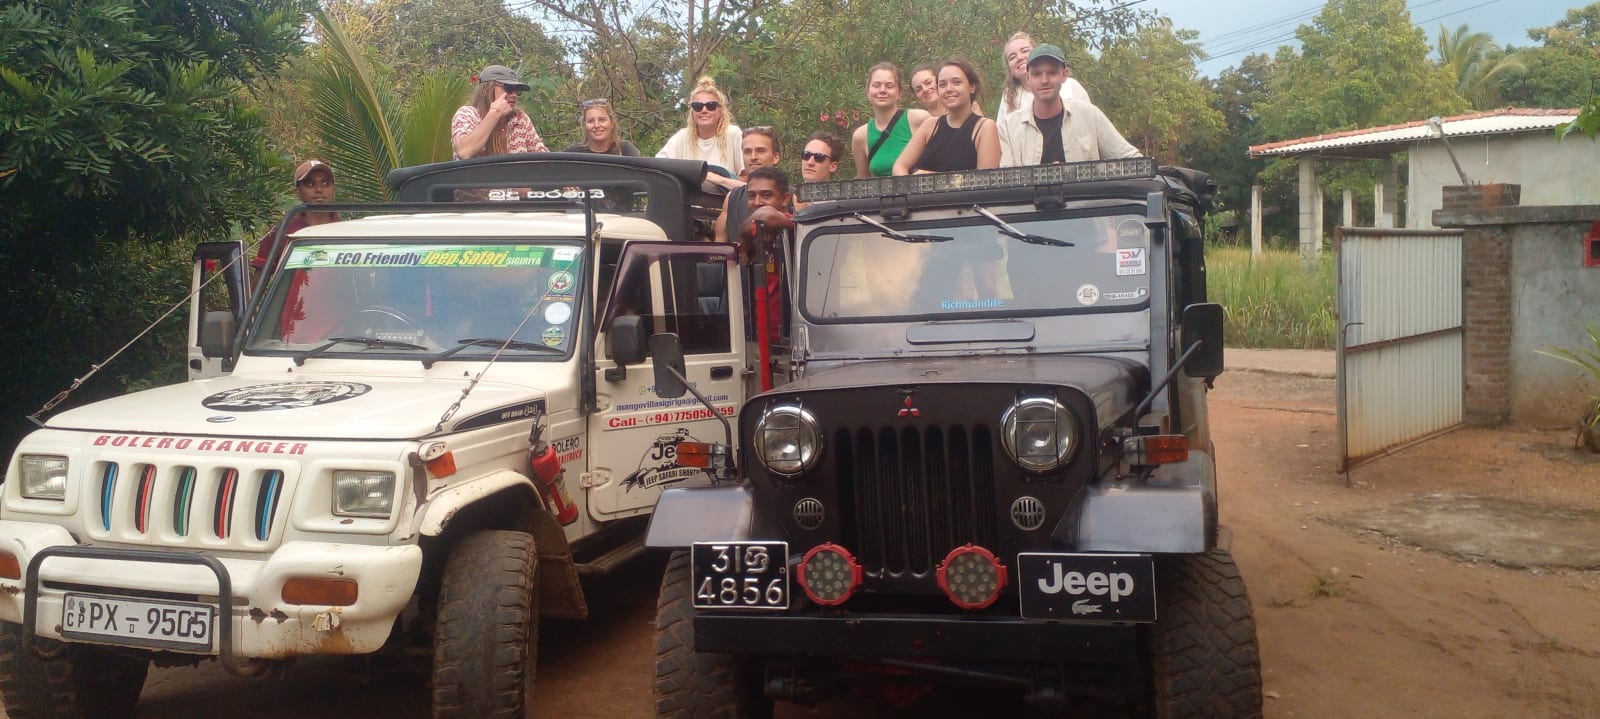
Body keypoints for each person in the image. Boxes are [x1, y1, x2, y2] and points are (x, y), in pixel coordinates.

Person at [999, 44, 1139, 167]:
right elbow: (1007, 182)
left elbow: (1133, 160)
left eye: (1052, 73)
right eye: (1036, 74)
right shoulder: (1009, 127)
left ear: (1064, 75)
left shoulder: (1089, 115)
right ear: (1028, 78)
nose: (1044, 80)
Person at [892, 59, 1000, 175]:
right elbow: (899, 166)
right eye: (942, 85)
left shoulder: (984, 128)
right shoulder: (930, 126)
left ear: (972, 86)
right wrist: (911, 184)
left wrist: (936, 181)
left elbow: (984, 182)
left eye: (957, 82)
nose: (949, 89)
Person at [252, 159, 340, 283]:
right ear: (298, 192)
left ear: (333, 190)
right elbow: (259, 278)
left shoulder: (347, 231)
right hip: (297, 302)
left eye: (325, 183)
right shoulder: (281, 231)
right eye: (310, 184)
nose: (319, 189)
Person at [656, 77, 744, 190]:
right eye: (697, 106)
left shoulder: (733, 134)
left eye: (711, 105)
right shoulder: (682, 137)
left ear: (720, 110)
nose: (704, 110)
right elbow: (659, 166)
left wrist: (714, 178)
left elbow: (745, 179)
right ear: (692, 112)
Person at [849, 63, 931, 178]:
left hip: (920, 193)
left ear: (899, 93)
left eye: (889, 86)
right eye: (876, 85)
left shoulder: (919, 119)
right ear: (867, 91)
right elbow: (863, 181)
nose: (882, 90)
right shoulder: (861, 136)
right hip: (884, 195)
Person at [451, 65, 549, 160]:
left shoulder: (519, 118)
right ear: (487, 89)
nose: (514, 95)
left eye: (517, 90)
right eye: (509, 88)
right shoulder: (467, 114)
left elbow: (542, 157)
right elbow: (464, 152)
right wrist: (494, 114)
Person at [715, 127, 783, 243]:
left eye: (760, 151)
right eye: (747, 152)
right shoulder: (732, 198)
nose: (753, 157)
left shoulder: (793, 198)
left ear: (776, 157)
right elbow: (720, 247)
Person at [998, 31, 1090, 117]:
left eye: (1025, 51)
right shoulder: (1008, 95)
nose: (1019, 57)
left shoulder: (1070, 86)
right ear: (1009, 68)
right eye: (1012, 57)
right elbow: (1001, 133)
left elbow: (1090, 121)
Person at [563, 98, 640, 156]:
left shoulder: (625, 150)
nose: (596, 125)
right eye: (591, 121)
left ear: (611, 123)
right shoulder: (573, 152)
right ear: (584, 125)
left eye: (602, 120)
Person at [795, 131, 843, 211]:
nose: (810, 162)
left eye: (819, 157)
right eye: (806, 155)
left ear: (833, 166)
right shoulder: (785, 199)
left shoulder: (843, 205)